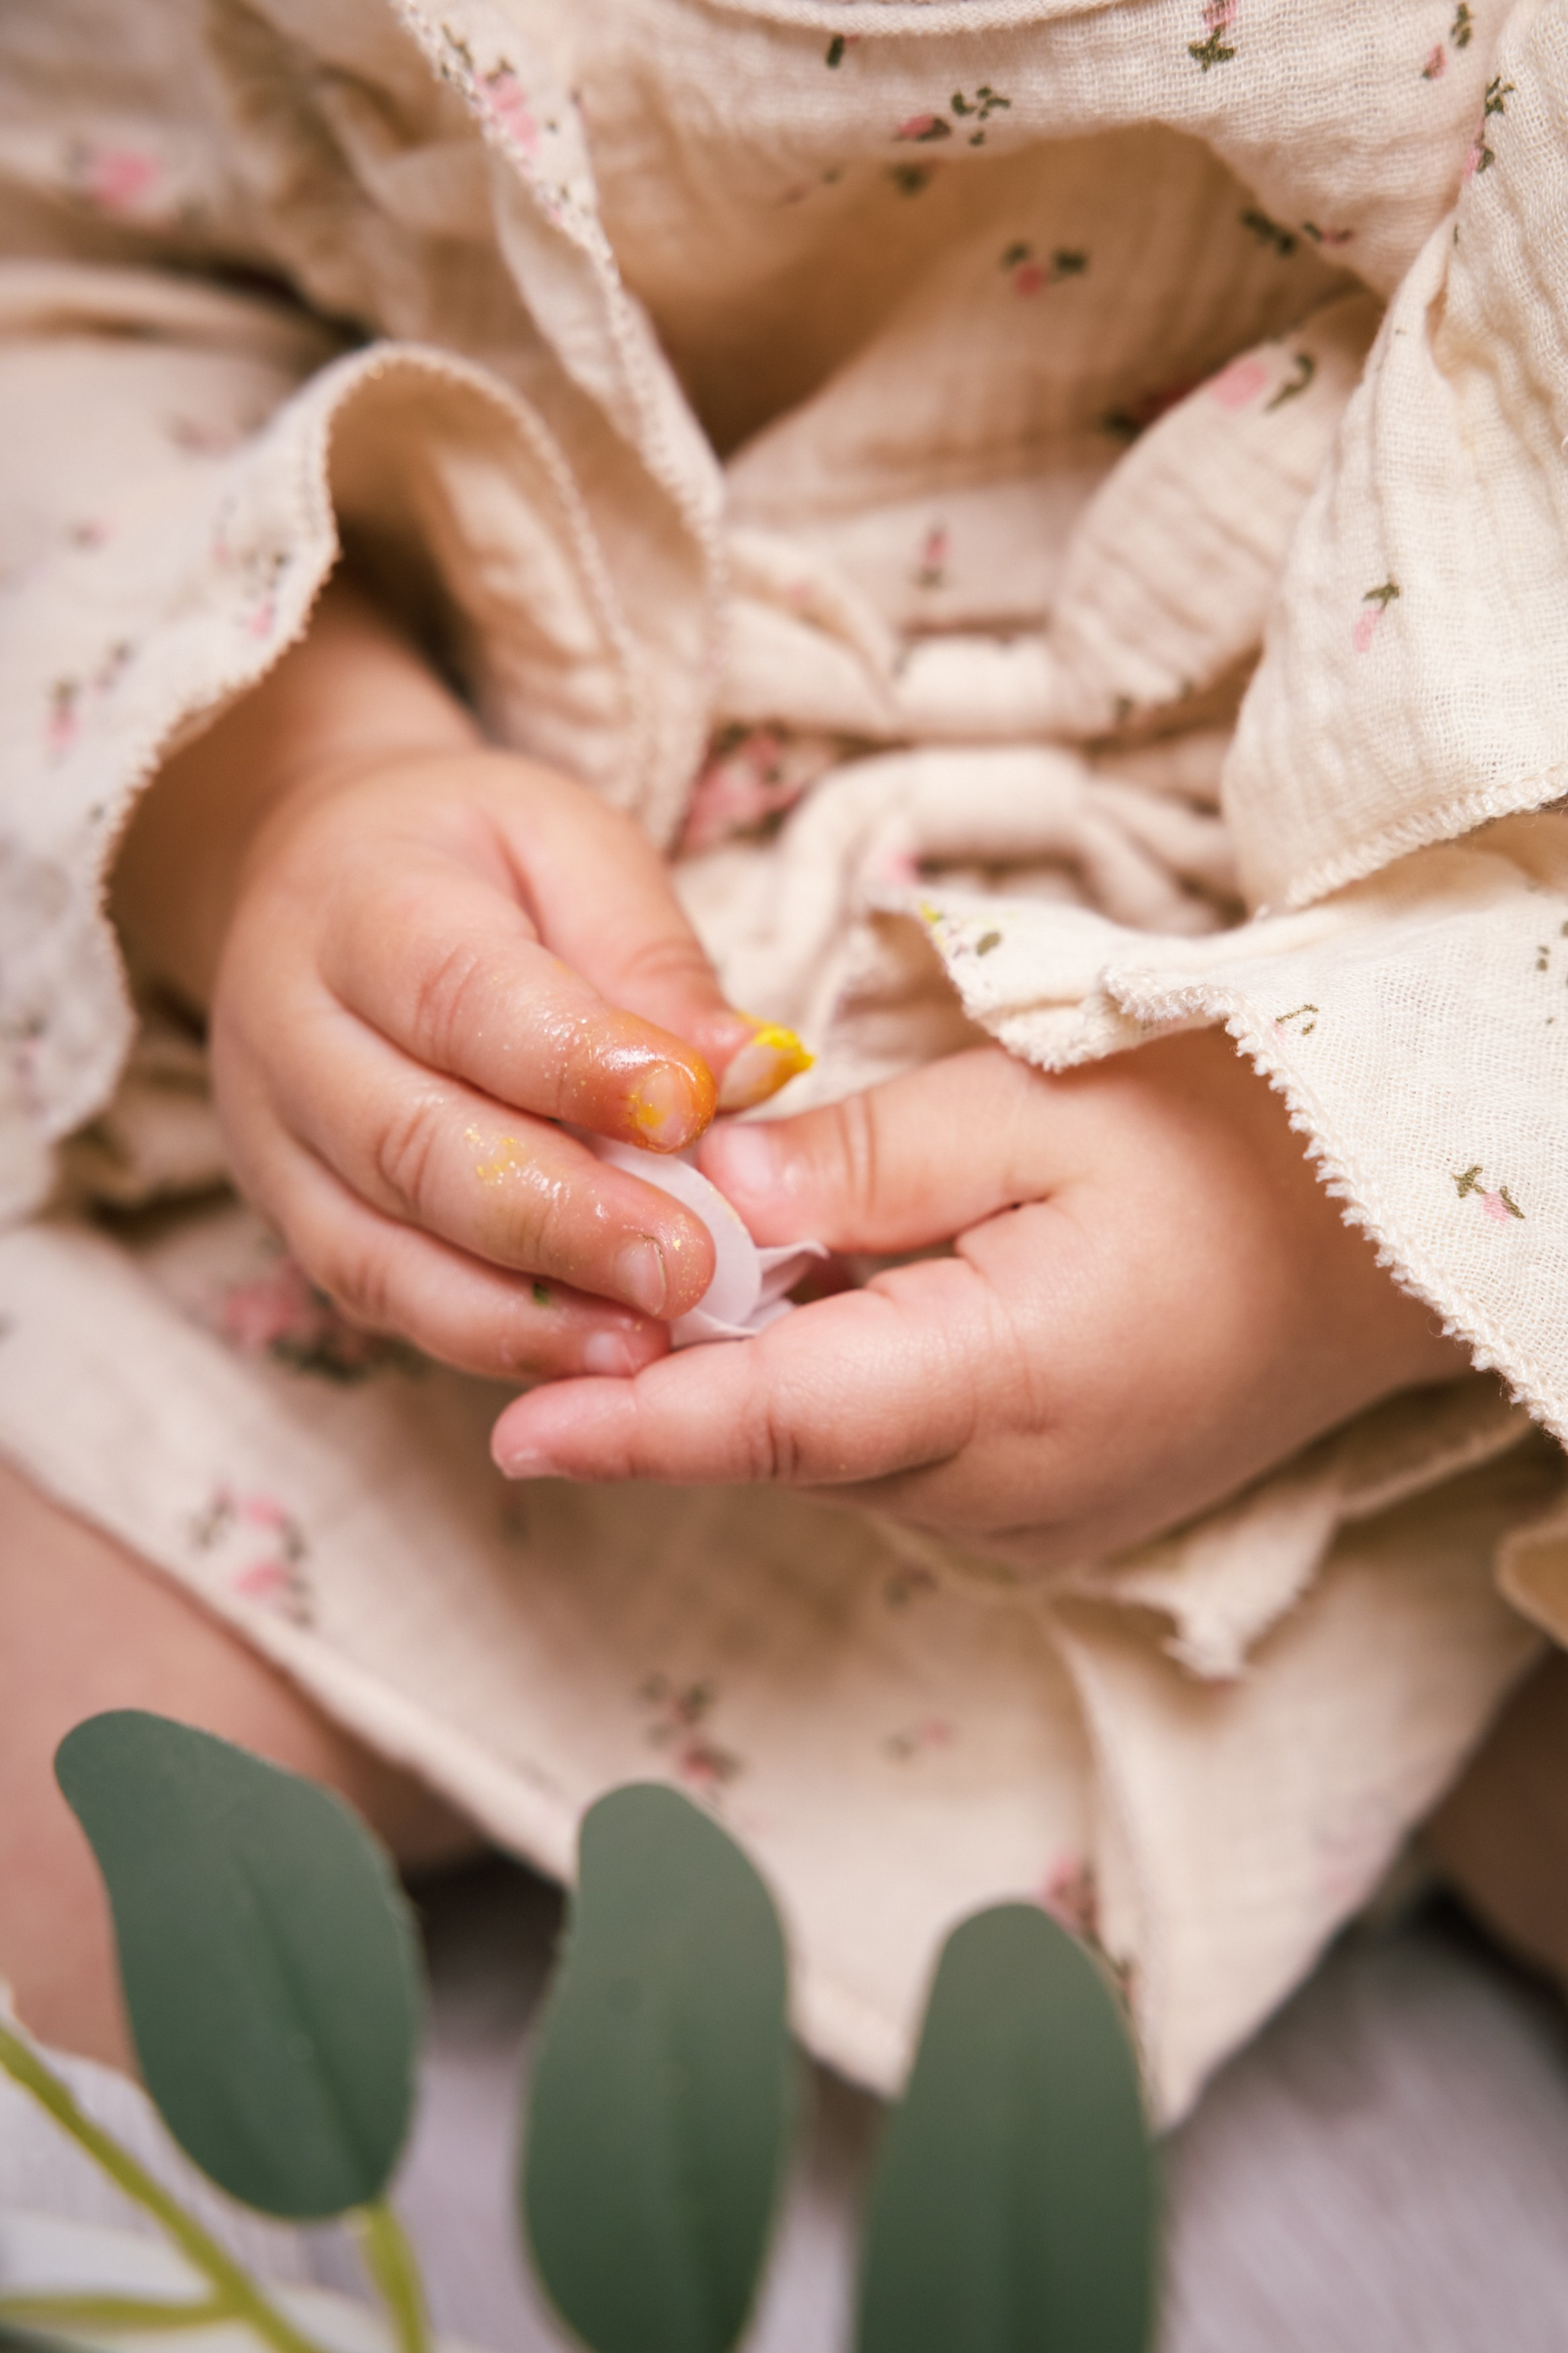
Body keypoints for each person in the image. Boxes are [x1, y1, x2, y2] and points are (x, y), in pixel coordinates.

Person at [3, 0, 1568, 2123]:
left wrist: (1330, 1234)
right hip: (419, 1305)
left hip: (1464, 1273)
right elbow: (67, 306)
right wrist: (287, 791)